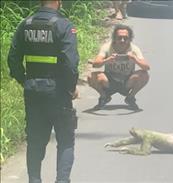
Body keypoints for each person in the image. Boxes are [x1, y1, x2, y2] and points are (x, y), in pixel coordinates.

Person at [7, 0, 79, 182]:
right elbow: (70, 64)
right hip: (59, 93)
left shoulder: (25, 24)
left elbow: (13, 59)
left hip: (33, 91)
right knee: (65, 140)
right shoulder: (64, 25)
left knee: (35, 141)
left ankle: (34, 180)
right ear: (58, 2)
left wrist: (25, 80)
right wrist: (71, 88)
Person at [88, 23, 150, 110]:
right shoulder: (107, 47)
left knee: (144, 75)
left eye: (125, 38)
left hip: (127, 81)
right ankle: (104, 96)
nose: (122, 40)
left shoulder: (134, 49)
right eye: (119, 38)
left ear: (130, 39)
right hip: (110, 80)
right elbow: (95, 64)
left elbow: (146, 67)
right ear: (114, 38)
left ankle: (130, 97)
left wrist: (135, 59)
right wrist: (107, 60)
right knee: (91, 76)